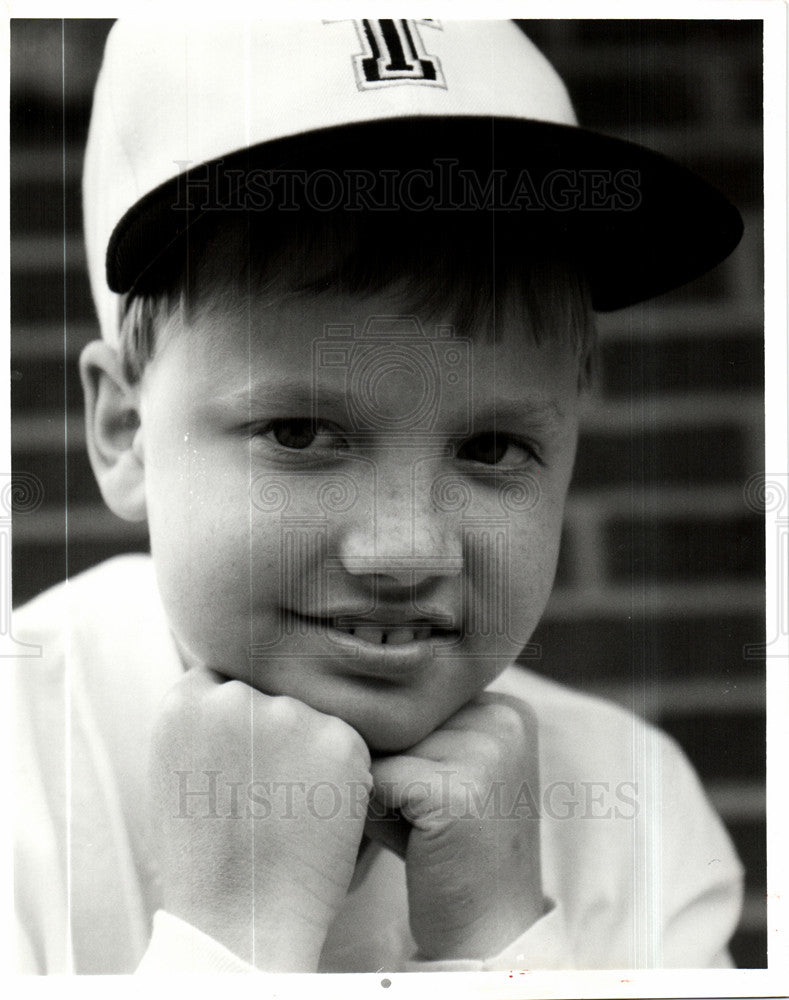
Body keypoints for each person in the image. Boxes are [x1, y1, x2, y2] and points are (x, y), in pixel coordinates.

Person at [14, 19, 745, 974]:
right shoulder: (22, 772)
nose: (405, 549)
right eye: (299, 434)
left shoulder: (634, 810)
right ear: (124, 432)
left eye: (491, 446)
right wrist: (232, 943)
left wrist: (502, 941)